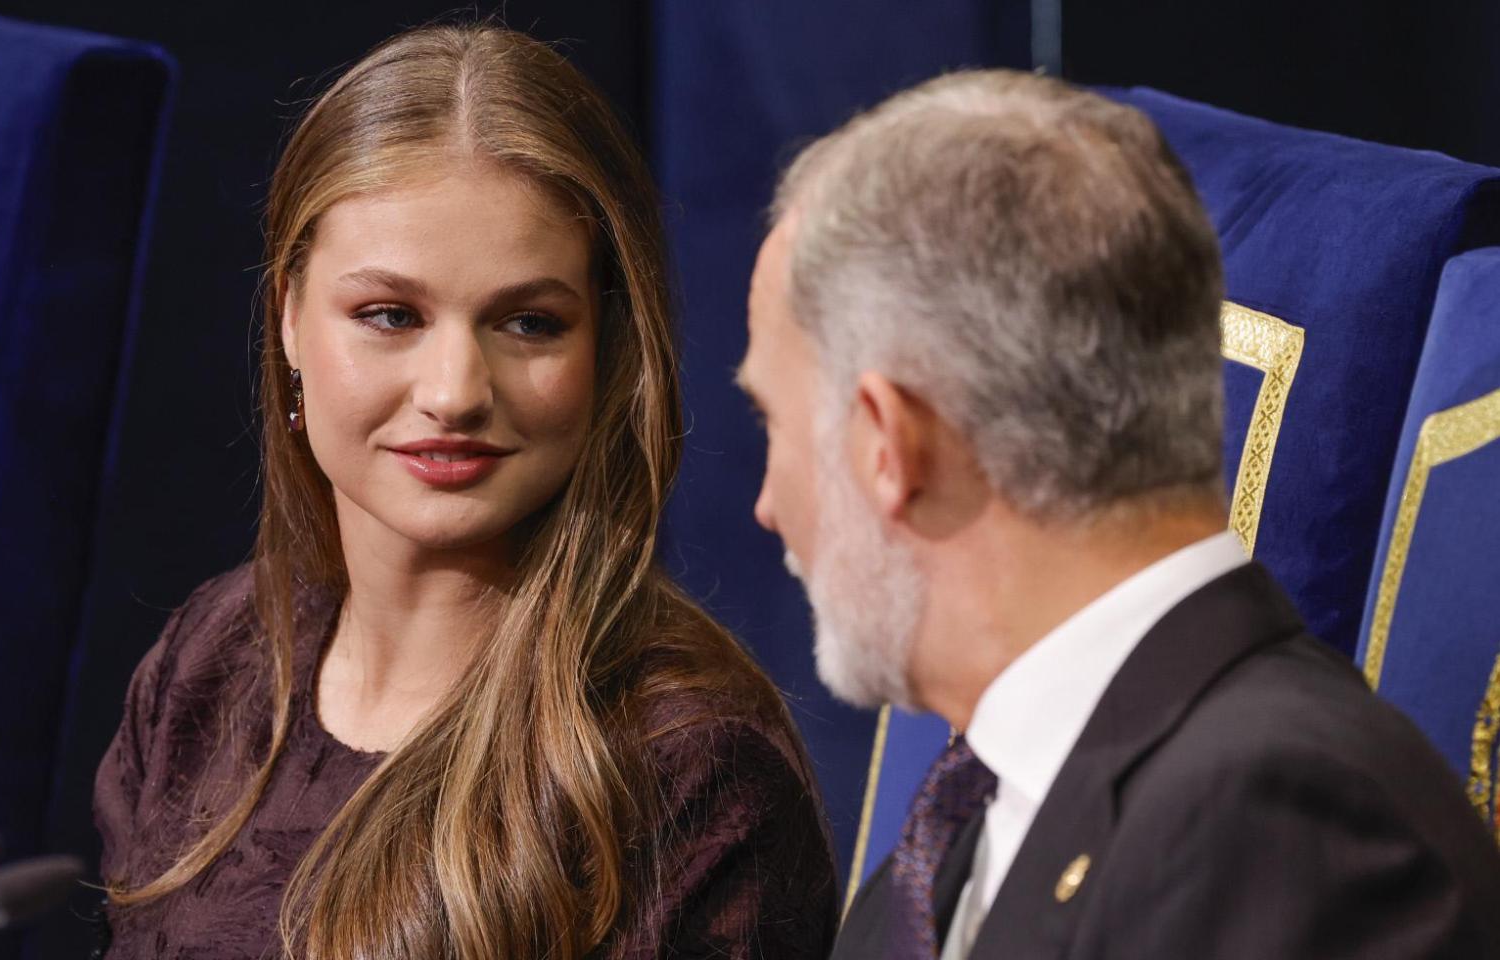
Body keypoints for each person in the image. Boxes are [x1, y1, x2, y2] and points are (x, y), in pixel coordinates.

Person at [94, 24, 837, 960]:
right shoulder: (212, 661)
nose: (453, 391)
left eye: (528, 323)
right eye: (390, 316)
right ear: (288, 317)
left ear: (606, 347)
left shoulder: (690, 772)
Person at [737, 69, 1500, 960]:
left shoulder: (1288, 833)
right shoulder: (967, 816)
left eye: (774, 422)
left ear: (888, 445)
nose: (764, 507)